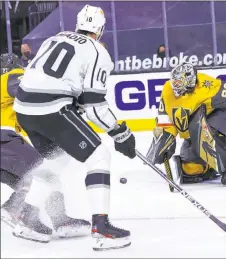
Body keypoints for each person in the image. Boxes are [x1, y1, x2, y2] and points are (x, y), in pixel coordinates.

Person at [12, 5, 136, 251]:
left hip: (24, 109)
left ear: (78, 23)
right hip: (51, 108)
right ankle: (101, 228)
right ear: (100, 29)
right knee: (99, 155)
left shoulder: (54, 38)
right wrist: (120, 132)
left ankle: (27, 217)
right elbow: (93, 104)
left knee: (56, 158)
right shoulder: (97, 51)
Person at [0, 53, 91, 238]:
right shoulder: (8, 77)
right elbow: (28, 90)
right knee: (43, 170)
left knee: (38, 180)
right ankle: (13, 208)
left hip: (5, 150)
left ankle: (56, 220)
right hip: (4, 138)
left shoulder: (7, 102)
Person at [146, 62, 226, 185]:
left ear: (189, 80)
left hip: (224, 117)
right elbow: (165, 119)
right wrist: (164, 141)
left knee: (202, 130)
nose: (174, 85)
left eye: (178, 82)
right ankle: (208, 168)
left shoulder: (207, 87)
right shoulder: (168, 90)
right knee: (191, 169)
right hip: (195, 130)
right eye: (174, 81)